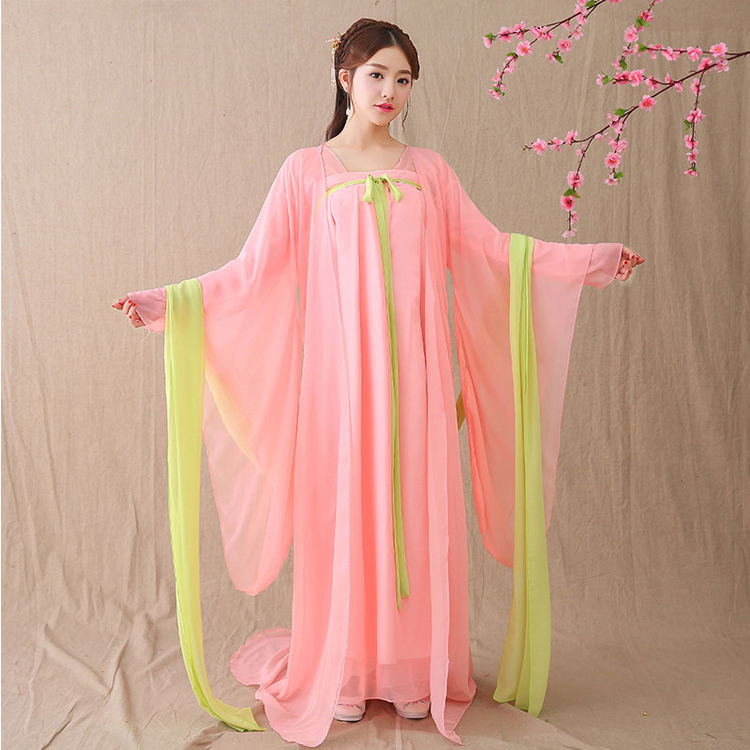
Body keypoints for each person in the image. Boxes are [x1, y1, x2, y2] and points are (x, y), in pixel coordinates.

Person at [112, 17, 643, 748]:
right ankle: (347, 669)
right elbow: (253, 271)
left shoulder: (431, 172)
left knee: (416, 517)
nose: (389, 90)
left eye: (402, 79)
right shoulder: (305, 172)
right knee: (345, 516)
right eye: (376, 75)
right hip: (337, 389)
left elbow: (491, 252)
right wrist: (169, 304)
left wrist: (587, 262)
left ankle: (414, 670)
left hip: (418, 384)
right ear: (345, 79)